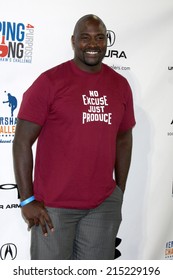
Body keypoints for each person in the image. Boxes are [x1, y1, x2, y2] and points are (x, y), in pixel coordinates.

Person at [13, 14, 136, 260]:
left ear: (106, 42)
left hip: (102, 206)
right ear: (73, 41)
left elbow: (123, 138)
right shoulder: (50, 82)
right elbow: (22, 142)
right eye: (85, 38)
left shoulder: (120, 85)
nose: (93, 44)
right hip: (53, 208)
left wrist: (119, 190)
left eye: (99, 38)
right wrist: (27, 199)